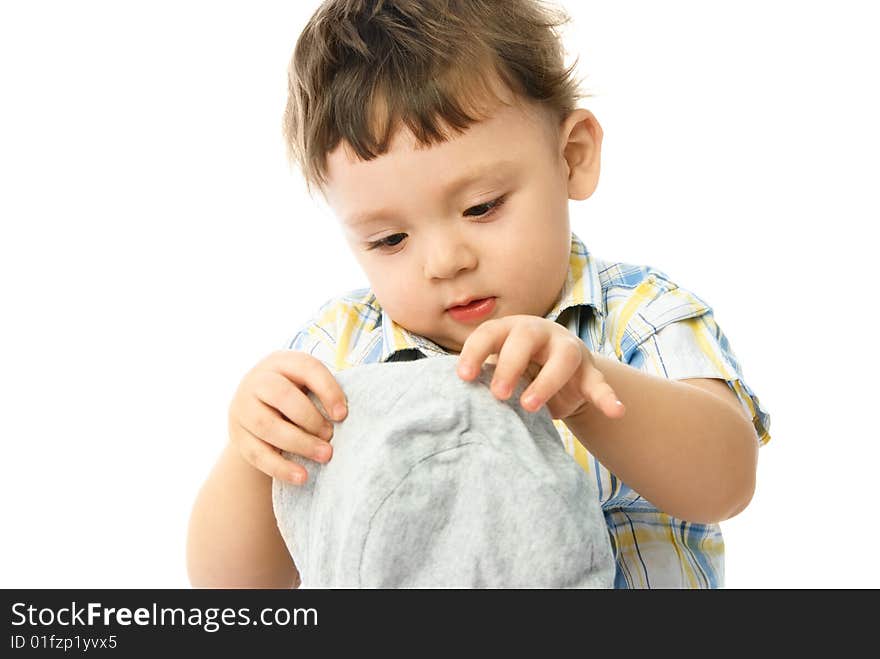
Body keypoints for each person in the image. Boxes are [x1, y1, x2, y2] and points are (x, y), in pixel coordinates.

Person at [186, 0, 771, 589]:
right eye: (390, 239)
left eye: (481, 207)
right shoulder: (336, 358)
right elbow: (232, 592)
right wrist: (251, 453)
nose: (445, 262)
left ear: (572, 158)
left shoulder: (638, 315)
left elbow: (726, 483)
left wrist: (589, 389)